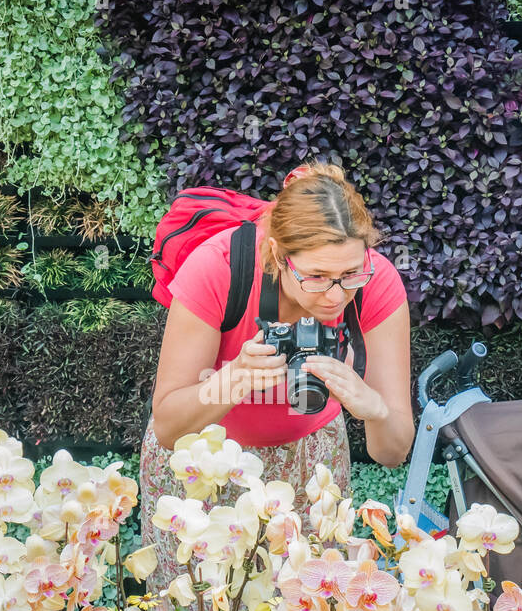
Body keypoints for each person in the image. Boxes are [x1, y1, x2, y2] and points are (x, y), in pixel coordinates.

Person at [138, 161, 414, 587]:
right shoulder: (219, 267)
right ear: (278, 258)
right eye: (317, 277)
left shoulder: (376, 284)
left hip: (311, 459)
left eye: (349, 275)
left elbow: (392, 453)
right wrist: (236, 377)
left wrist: (375, 409)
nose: (336, 295)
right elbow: (169, 427)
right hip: (205, 468)